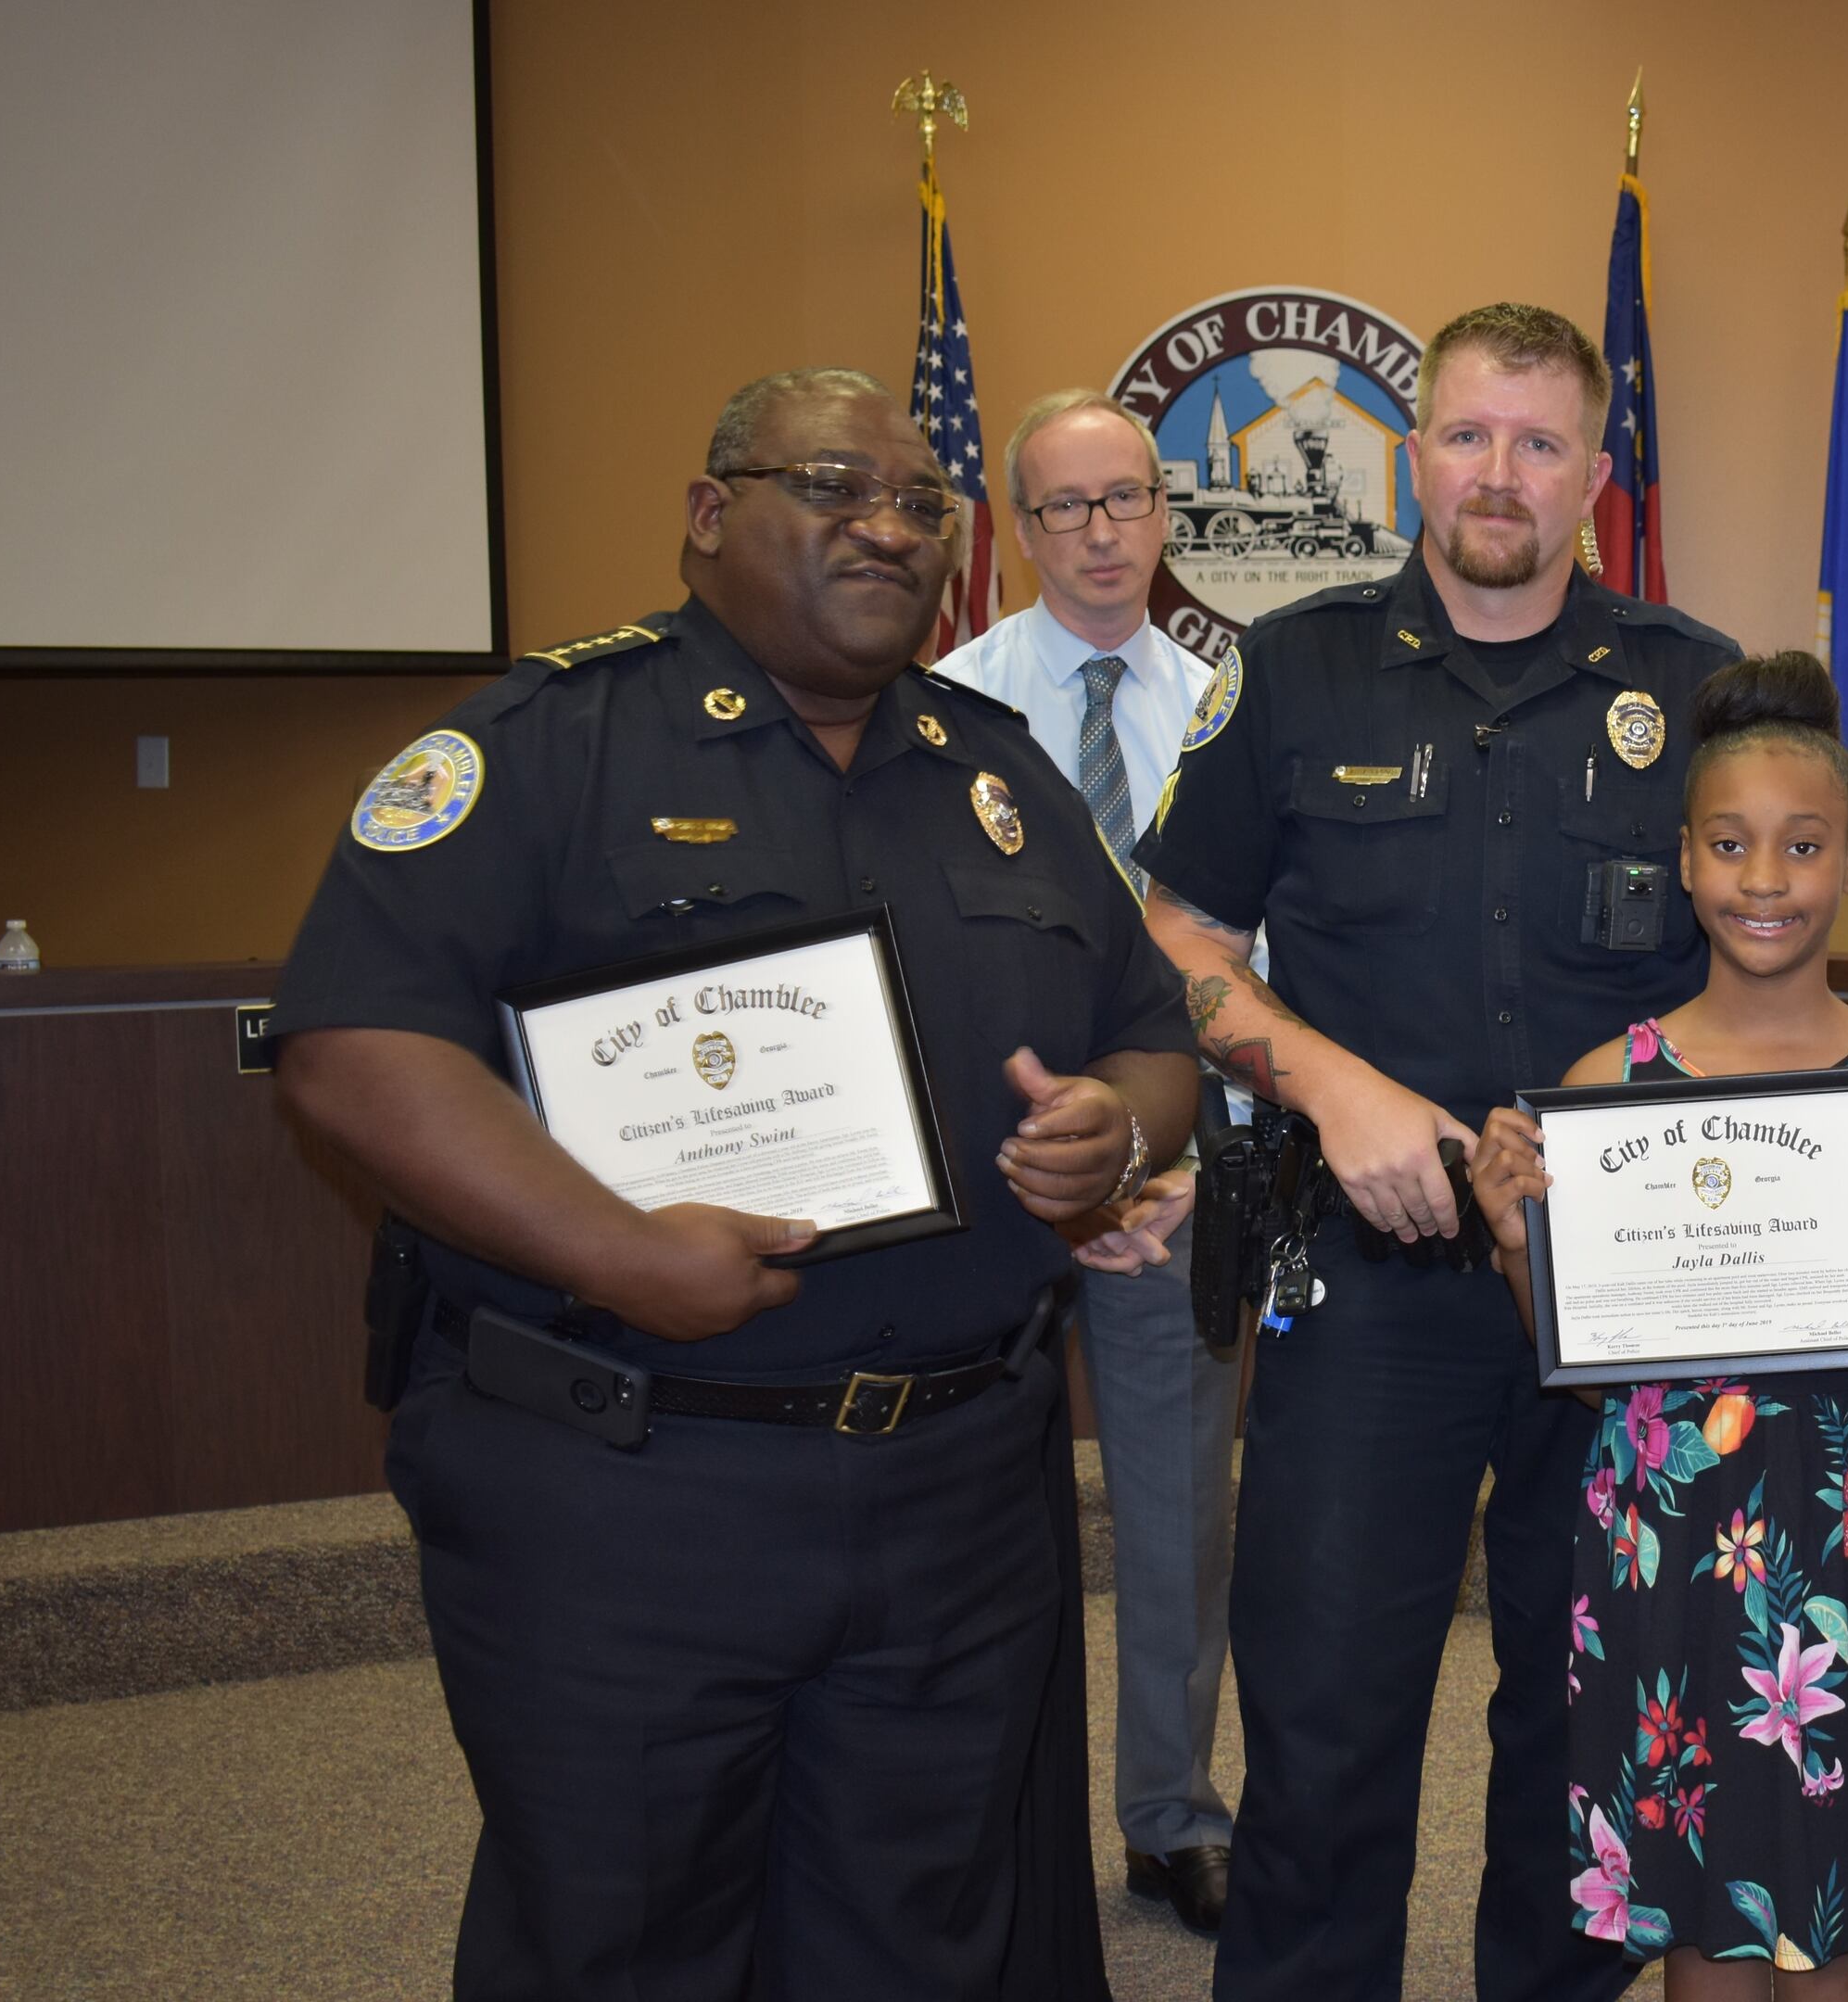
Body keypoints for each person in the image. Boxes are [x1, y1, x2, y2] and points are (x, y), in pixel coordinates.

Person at [273, 365, 1200, 1997]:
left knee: (923, 1939)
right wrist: (615, 1251)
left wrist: (1118, 1133)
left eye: (921, 503)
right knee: (626, 1938)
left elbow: (1150, 1030)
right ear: (711, 514)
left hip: (954, 1497)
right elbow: (355, 1047)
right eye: (834, 486)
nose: (888, 527)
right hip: (630, 1484)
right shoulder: (544, 750)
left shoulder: (998, 774)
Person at [1126, 301, 1741, 2002]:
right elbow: (1176, 939)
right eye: (1467, 435)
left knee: (1589, 1715)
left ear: (1595, 476)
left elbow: (1767, 961)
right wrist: (1334, 1088)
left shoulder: (1697, 685)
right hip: (1360, 1270)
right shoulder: (1294, 668)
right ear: (1414, 456)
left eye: (1540, 444)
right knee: (1323, 1713)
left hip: (1618, 1287)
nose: (1498, 474)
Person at [1465, 652, 1848, 2000]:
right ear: (1683, 859)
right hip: (1664, 1536)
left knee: (1832, 1911)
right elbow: (1584, 1366)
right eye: (1728, 845)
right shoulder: (1608, 1088)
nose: (1764, 879)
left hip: (1846, 1539)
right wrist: (1517, 1247)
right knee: (1696, 1907)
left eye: (1802, 846)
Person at [934, 386, 1245, 1938]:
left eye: (1127, 498)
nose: (1103, 531)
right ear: (1020, 528)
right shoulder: (944, 707)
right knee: (959, 1517)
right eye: (1067, 505)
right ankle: (975, 1813)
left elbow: (1261, 960)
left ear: (1165, 511)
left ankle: (1170, 1815)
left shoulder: (1228, 710)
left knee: (1179, 1517)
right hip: (984, 1179)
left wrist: (1179, 1145)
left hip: (1173, 1176)